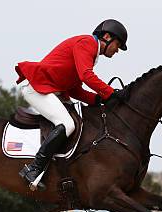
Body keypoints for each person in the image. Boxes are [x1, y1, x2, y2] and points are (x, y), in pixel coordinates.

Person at [14, 19, 128, 190]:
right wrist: (111, 93)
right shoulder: (87, 43)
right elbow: (86, 76)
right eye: (117, 45)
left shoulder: (90, 51)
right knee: (67, 124)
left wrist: (97, 99)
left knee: (80, 121)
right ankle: (33, 169)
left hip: (53, 91)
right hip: (38, 89)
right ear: (106, 37)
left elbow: (75, 89)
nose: (117, 50)